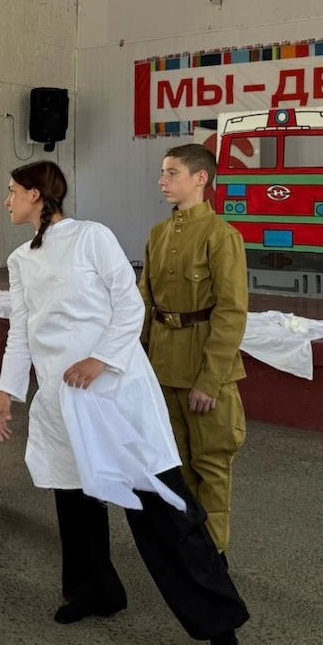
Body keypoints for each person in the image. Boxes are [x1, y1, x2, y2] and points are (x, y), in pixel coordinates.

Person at [0, 161, 248, 645]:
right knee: (74, 499)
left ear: (37, 194)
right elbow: (21, 330)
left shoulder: (92, 237)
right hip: (61, 397)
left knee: (162, 507)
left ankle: (219, 624)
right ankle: (95, 592)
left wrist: (100, 359)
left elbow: (131, 306)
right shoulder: (20, 259)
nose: (7, 200)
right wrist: (6, 395)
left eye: (13, 191)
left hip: (113, 392)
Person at [139, 144, 249, 555]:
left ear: (201, 178)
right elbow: (144, 304)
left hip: (203, 369)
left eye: (172, 173)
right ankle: (185, 550)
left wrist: (210, 380)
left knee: (212, 466)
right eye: (162, 172)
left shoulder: (221, 236)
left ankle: (212, 557)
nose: (162, 181)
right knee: (174, 466)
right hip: (162, 367)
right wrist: (138, 366)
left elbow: (231, 313)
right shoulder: (158, 234)